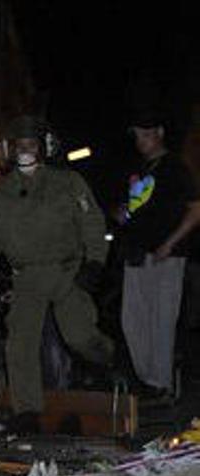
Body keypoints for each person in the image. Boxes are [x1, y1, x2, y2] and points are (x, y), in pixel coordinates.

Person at [0, 115, 113, 433]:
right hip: (26, 276)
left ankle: (108, 363)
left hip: (67, 270)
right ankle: (27, 411)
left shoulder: (68, 182)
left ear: (43, 147)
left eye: (32, 144)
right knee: (20, 343)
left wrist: (95, 261)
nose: (26, 150)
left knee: (79, 335)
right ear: (10, 149)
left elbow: (92, 222)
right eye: (20, 144)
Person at [116, 110, 200, 398]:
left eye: (145, 133)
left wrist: (171, 242)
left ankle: (161, 383)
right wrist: (124, 212)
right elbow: (132, 211)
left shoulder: (175, 168)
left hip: (167, 255)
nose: (140, 140)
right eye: (137, 135)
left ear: (159, 133)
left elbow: (196, 209)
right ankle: (148, 378)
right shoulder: (139, 168)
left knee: (162, 319)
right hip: (137, 253)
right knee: (132, 319)